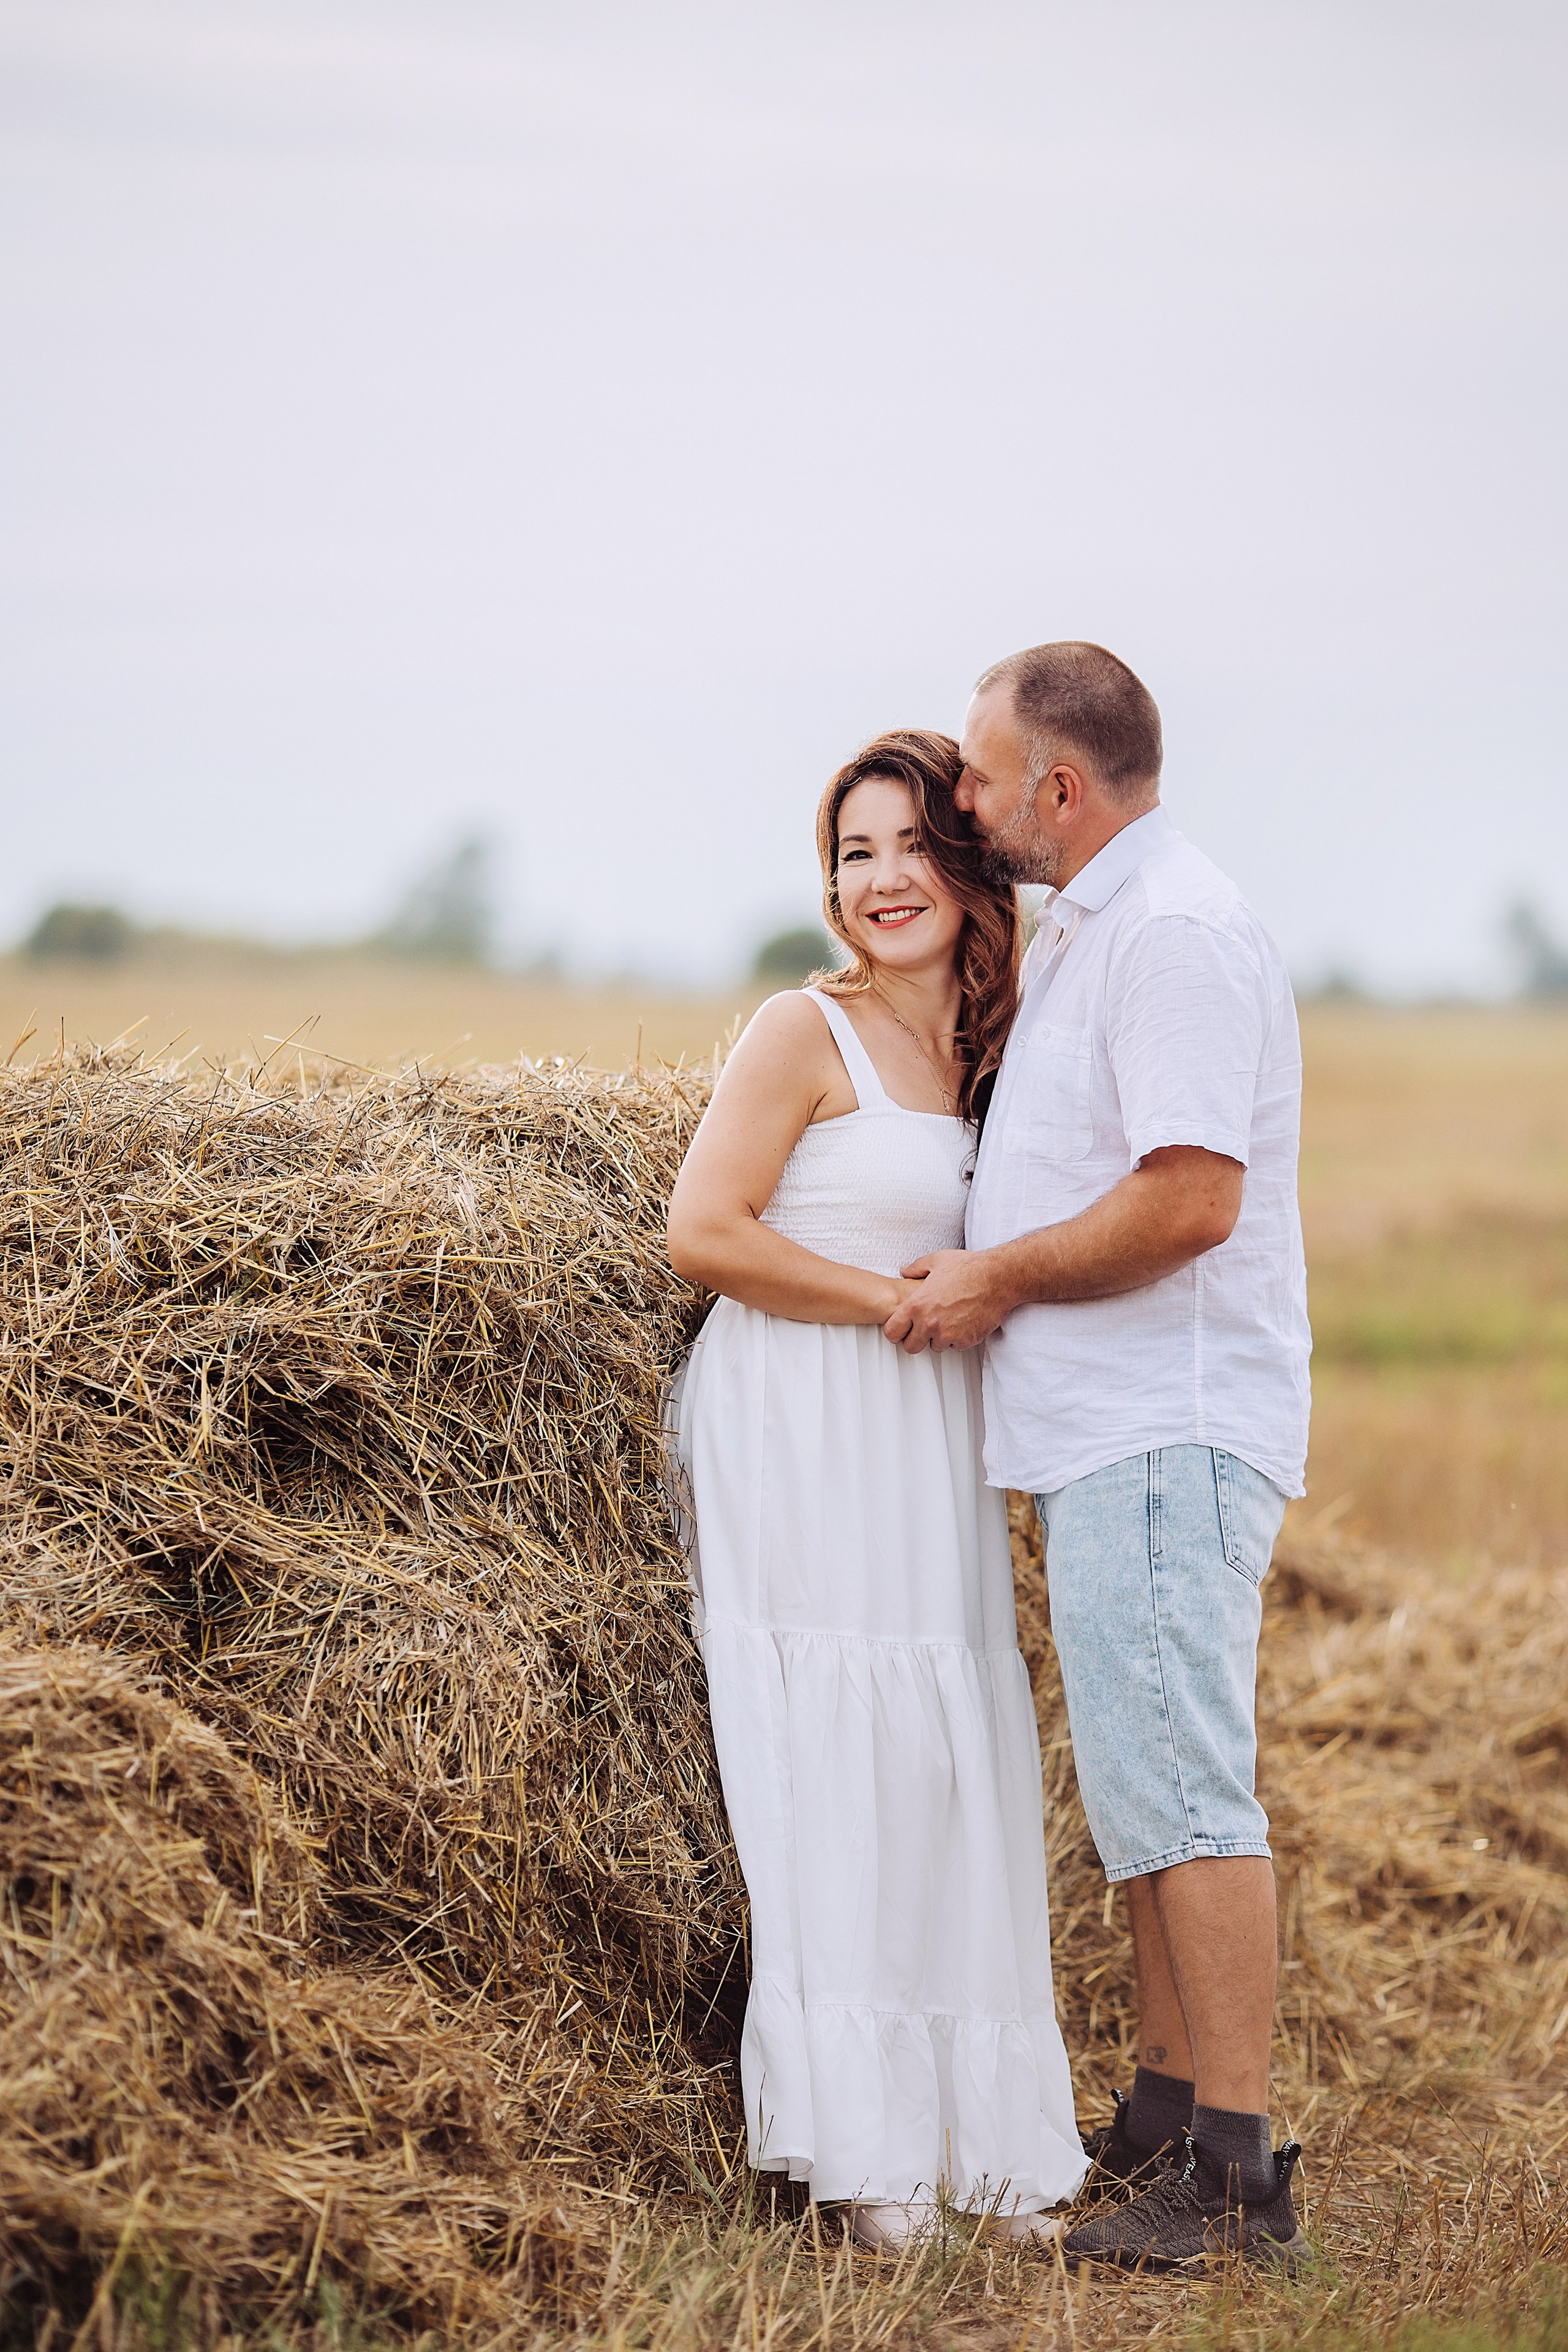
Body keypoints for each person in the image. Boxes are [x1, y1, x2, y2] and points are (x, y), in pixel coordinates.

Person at [884, 643, 1312, 2274]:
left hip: (1166, 1420)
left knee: (1189, 1795)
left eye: (982, 778)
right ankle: (1160, 2121)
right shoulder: (1099, 926)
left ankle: (1236, 2179)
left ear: (1061, 786)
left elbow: (1190, 1195)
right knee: (1144, 1792)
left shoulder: (1179, 934)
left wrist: (994, 1275)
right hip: (1108, 1433)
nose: (964, 801)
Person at [666, 731, 1087, 2249]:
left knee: (944, 1749)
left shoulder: (999, 1046)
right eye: (853, 852)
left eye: (910, 845)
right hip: (804, 1411)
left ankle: (977, 2139)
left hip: (926, 1433)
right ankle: (864, 2151)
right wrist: (895, 1306)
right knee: (832, 1750)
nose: (880, 879)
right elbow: (702, 1232)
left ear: (970, 867)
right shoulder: (801, 1027)